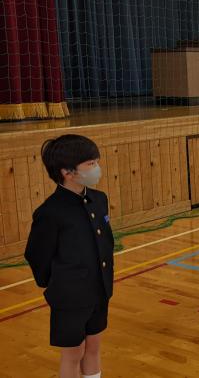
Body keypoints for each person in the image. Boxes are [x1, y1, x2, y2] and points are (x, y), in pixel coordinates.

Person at [25, 134, 113, 378]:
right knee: (73, 354)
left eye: (96, 162)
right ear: (67, 172)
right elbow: (37, 255)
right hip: (70, 296)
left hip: (99, 289)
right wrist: (58, 284)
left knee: (93, 347)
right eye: (90, 164)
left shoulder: (99, 200)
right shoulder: (50, 212)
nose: (97, 168)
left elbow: (105, 242)